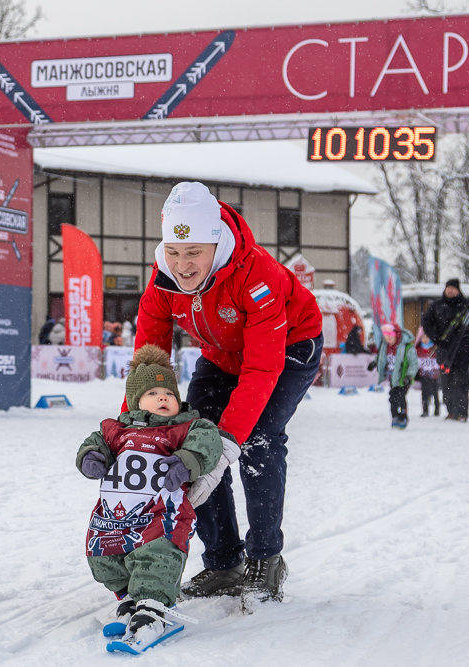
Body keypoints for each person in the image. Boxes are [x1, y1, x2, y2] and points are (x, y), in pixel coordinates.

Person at [131, 182, 323, 607]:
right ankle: (223, 563)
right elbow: (150, 364)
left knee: (257, 440)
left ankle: (265, 559)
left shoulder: (257, 276)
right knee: (193, 439)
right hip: (223, 355)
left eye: (193, 252)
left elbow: (262, 368)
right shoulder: (163, 279)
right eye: (174, 253)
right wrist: (136, 432)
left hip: (289, 348)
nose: (182, 265)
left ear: (215, 241)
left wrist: (229, 442)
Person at [76, 345, 227, 650]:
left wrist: (186, 461)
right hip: (114, 516)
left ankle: (153, 607)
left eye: (168, 393)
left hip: (163, 514)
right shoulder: (115, 430)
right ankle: (130, 598)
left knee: (156, 558)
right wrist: (92, 456)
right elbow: (95, 443)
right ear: (135, 402)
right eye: (153, 393)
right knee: (102, 556)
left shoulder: (186, 428)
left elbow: (207, 443)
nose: (162, 398)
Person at [421, 278, 469, 422]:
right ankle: (451, 411)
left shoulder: (466, 305)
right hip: (444, 349)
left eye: (453, 288)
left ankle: (462, 412)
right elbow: (425, 322)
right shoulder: (437, 305)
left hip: (462, 349)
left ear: (458, 290)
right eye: (448, 287)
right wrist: (435, 338)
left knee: (461, 381)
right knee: (446, 382)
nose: (450, 290)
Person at [371, 323, 418, 429]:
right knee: (392, 398)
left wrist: (409, 376)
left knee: (401, 397)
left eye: (390, 337)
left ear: (396, 335)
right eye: (386, 337)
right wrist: (375, 363)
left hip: (403, 377)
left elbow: (414, 363)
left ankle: (403, 417)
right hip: (393, 377)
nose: (388, 340)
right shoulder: (385, 345)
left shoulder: (406, 347)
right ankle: (395, 417)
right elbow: (381, 356)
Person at [416, 333, 441, 417]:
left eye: (427, 337)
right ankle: (425, 410)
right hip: (423, 375)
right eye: (423, 337)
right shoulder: (418, 349)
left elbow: (438, 361)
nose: (425, 339)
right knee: (424, 392)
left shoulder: (435, 349)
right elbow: (417, 362)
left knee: (434, 392)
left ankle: (437, 409)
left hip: (434, 375)